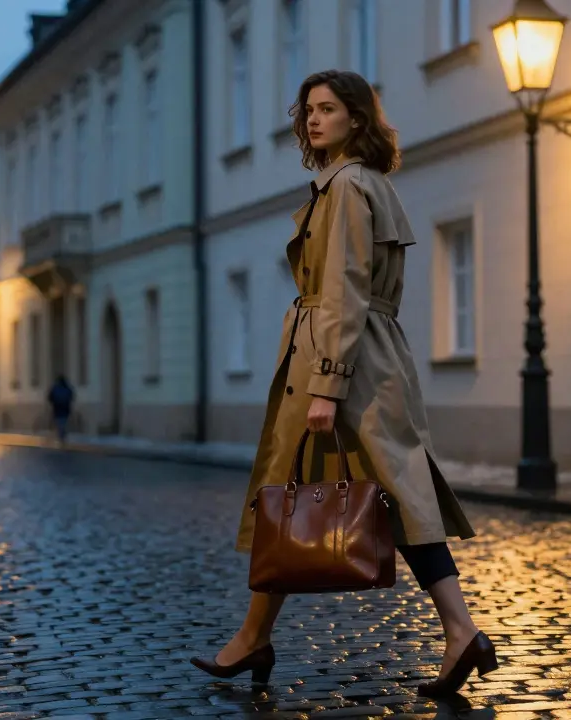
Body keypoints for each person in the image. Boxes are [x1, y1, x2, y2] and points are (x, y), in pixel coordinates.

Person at [189, 70, 498, 698]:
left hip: (340, 360)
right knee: (368, 492)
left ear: (357, 118)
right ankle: (258, 636)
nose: (313, 120)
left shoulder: (349, 187)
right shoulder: (357, 185)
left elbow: (345, 287)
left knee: (305, 492)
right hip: (361, 355)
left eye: (327, 109)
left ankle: (455, 628)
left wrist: (328, 385)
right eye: (307, 110)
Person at [47, 375, 74, 442]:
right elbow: (71, 396)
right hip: (65, 409)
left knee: (59, 422)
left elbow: (50, 397)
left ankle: (61, 435)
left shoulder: (55, 388)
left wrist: (53, 402)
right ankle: (62, 434)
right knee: (64, 422)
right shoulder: (67, 387)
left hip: (57, 409)